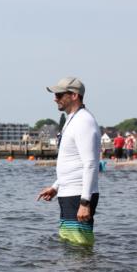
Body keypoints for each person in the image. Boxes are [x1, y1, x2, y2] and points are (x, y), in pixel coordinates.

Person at [37, 78, 101, 246]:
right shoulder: (72, 120)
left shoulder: (83, 121)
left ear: (74, 95)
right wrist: (56, 186)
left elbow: (90, 163)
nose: (55, 98)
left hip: (79, 195)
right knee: (69, 245)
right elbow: (72, 160)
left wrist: (85, 202)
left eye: (59, 94)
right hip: (69, 192)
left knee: (80, 246)